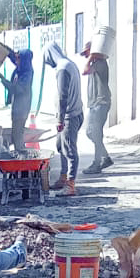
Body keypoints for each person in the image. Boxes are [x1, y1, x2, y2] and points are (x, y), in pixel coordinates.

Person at [42, 42, 83, 196]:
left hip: (69, 116)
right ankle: (63, 177)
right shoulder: (69, 64)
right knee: (61, 146)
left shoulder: (62, 69)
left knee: (70, 150)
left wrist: (60, 119)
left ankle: (70, 185)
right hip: (74, 113)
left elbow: (62, 97)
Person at [80, 41, 114, 175]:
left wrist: (91, 57)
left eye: (87, 53)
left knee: (95, 133)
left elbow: (85, 71)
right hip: (95, 103)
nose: (85, 56)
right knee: (91, 132)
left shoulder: (100, 63)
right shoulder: (96, 63)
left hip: (101, 103)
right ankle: (105, 158)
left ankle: (97, 163)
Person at [0, 48, 34, 151]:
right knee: (16, 133)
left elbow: (17, 89)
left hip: (22, 108)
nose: (16, 61)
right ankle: (20, 154)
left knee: (17, 135)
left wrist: (3, 80)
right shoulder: (21, 68)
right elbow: (14, 58)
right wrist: (7, 51)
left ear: (23, 60)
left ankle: (21, 156)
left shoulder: (27, 73)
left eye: (18, 58)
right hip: (18, 107)